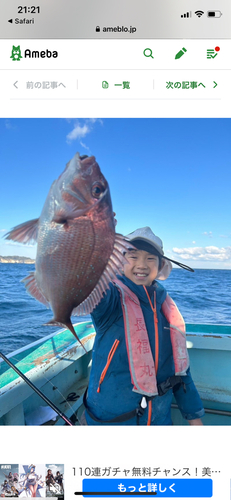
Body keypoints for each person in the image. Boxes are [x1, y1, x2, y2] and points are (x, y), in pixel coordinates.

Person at [82, 226, 204, 426]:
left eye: (150, 258)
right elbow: (90, 282)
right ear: (119, 261)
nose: (142, 265)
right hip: (108, 422)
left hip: (159, 421)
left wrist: (195, 418)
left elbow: (182, 373)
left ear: (160, 265)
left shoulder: (167, 309)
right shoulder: (111, 299)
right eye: (133, 256)